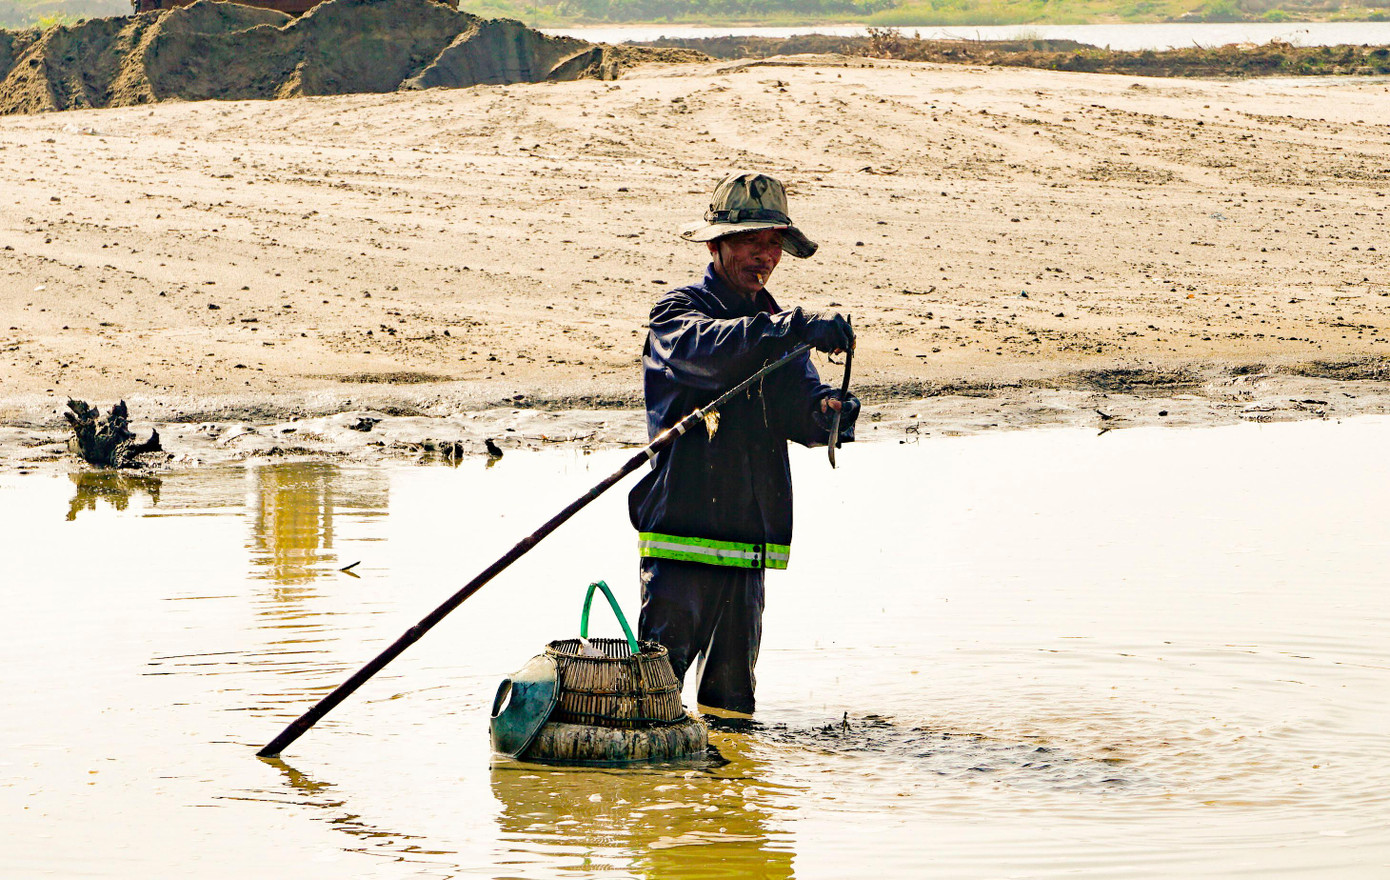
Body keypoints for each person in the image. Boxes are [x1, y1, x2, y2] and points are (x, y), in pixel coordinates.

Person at [627, 171, 859, 717]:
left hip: (749, 541)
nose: (766, 255)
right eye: (752, 242)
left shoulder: (775, 325)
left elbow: (797, 406)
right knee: (651, 703)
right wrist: (796, 326)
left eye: (774, 243)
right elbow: (711, 352)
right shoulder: (677, 315)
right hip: (682, 539)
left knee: (732, 709)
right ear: (715, 245)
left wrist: (828, 412)